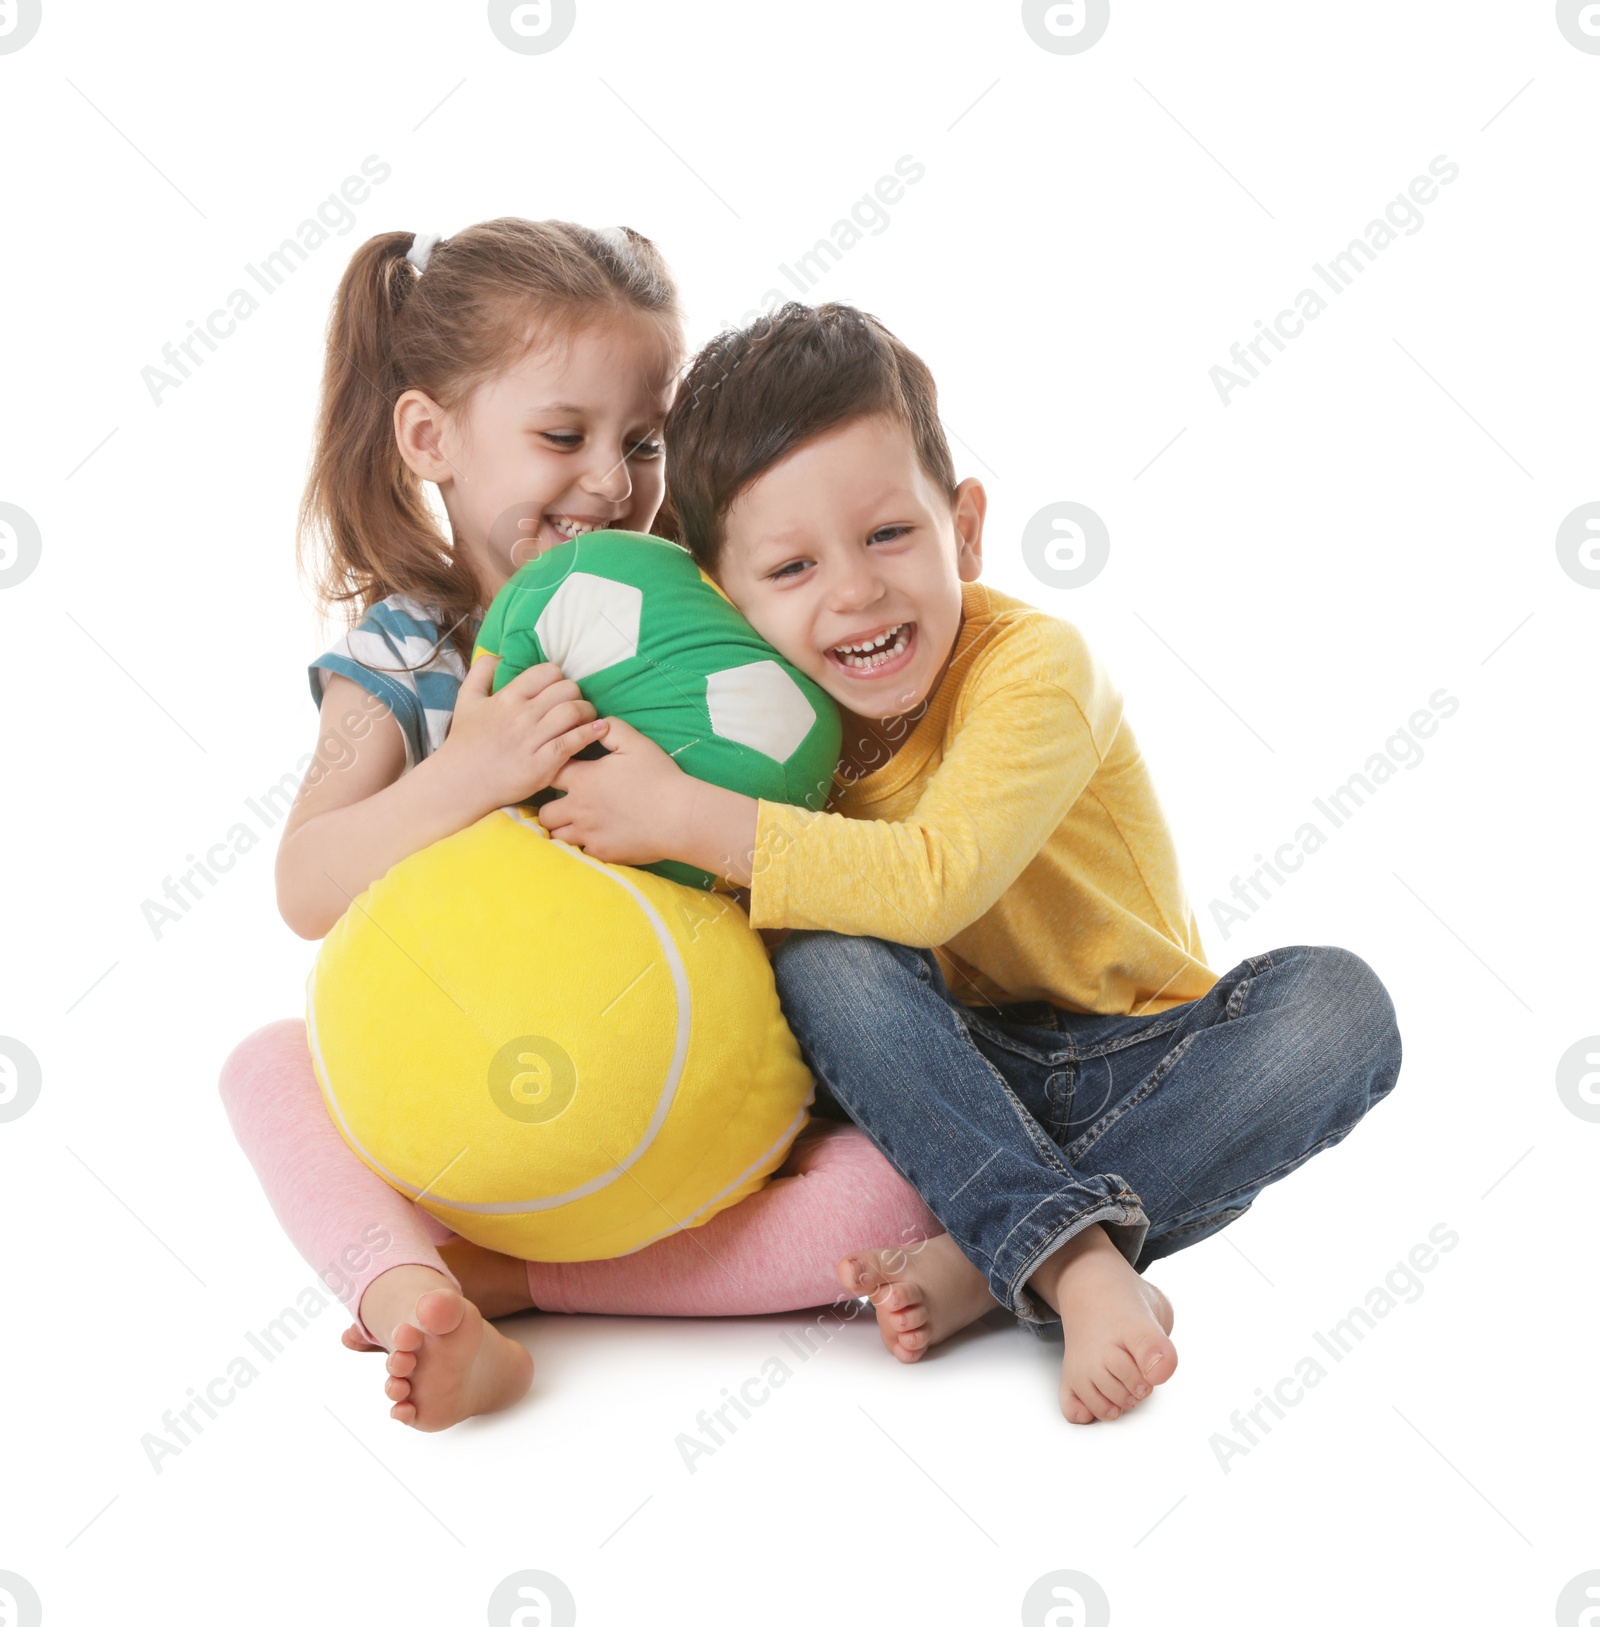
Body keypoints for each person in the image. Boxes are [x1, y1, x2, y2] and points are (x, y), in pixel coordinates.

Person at [537, 301, 1404, 1423]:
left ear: (966, 529)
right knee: (819, 948)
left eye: (889, 535)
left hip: (1139, 1067)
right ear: (726, 603)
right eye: (792, 566)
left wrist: (689, 818)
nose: (854, 591)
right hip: (941, 1083)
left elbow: (937, 878)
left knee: (1339, 1008)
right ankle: (1055, 1248)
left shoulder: (1033, 668)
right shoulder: (760, 740)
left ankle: (1012, 1254)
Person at [219, 226, 938, 1433]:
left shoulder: (697, 614)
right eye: (564, 436)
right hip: (481, 1119)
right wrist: (474, 770)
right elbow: (306, 884)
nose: (612, 482)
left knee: (885, 1198)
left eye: (642, 442)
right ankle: (410, 1293)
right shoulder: (406, 650)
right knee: (263, 1068)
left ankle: (523, 1286)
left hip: (672, 1115)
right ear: (428, 437)